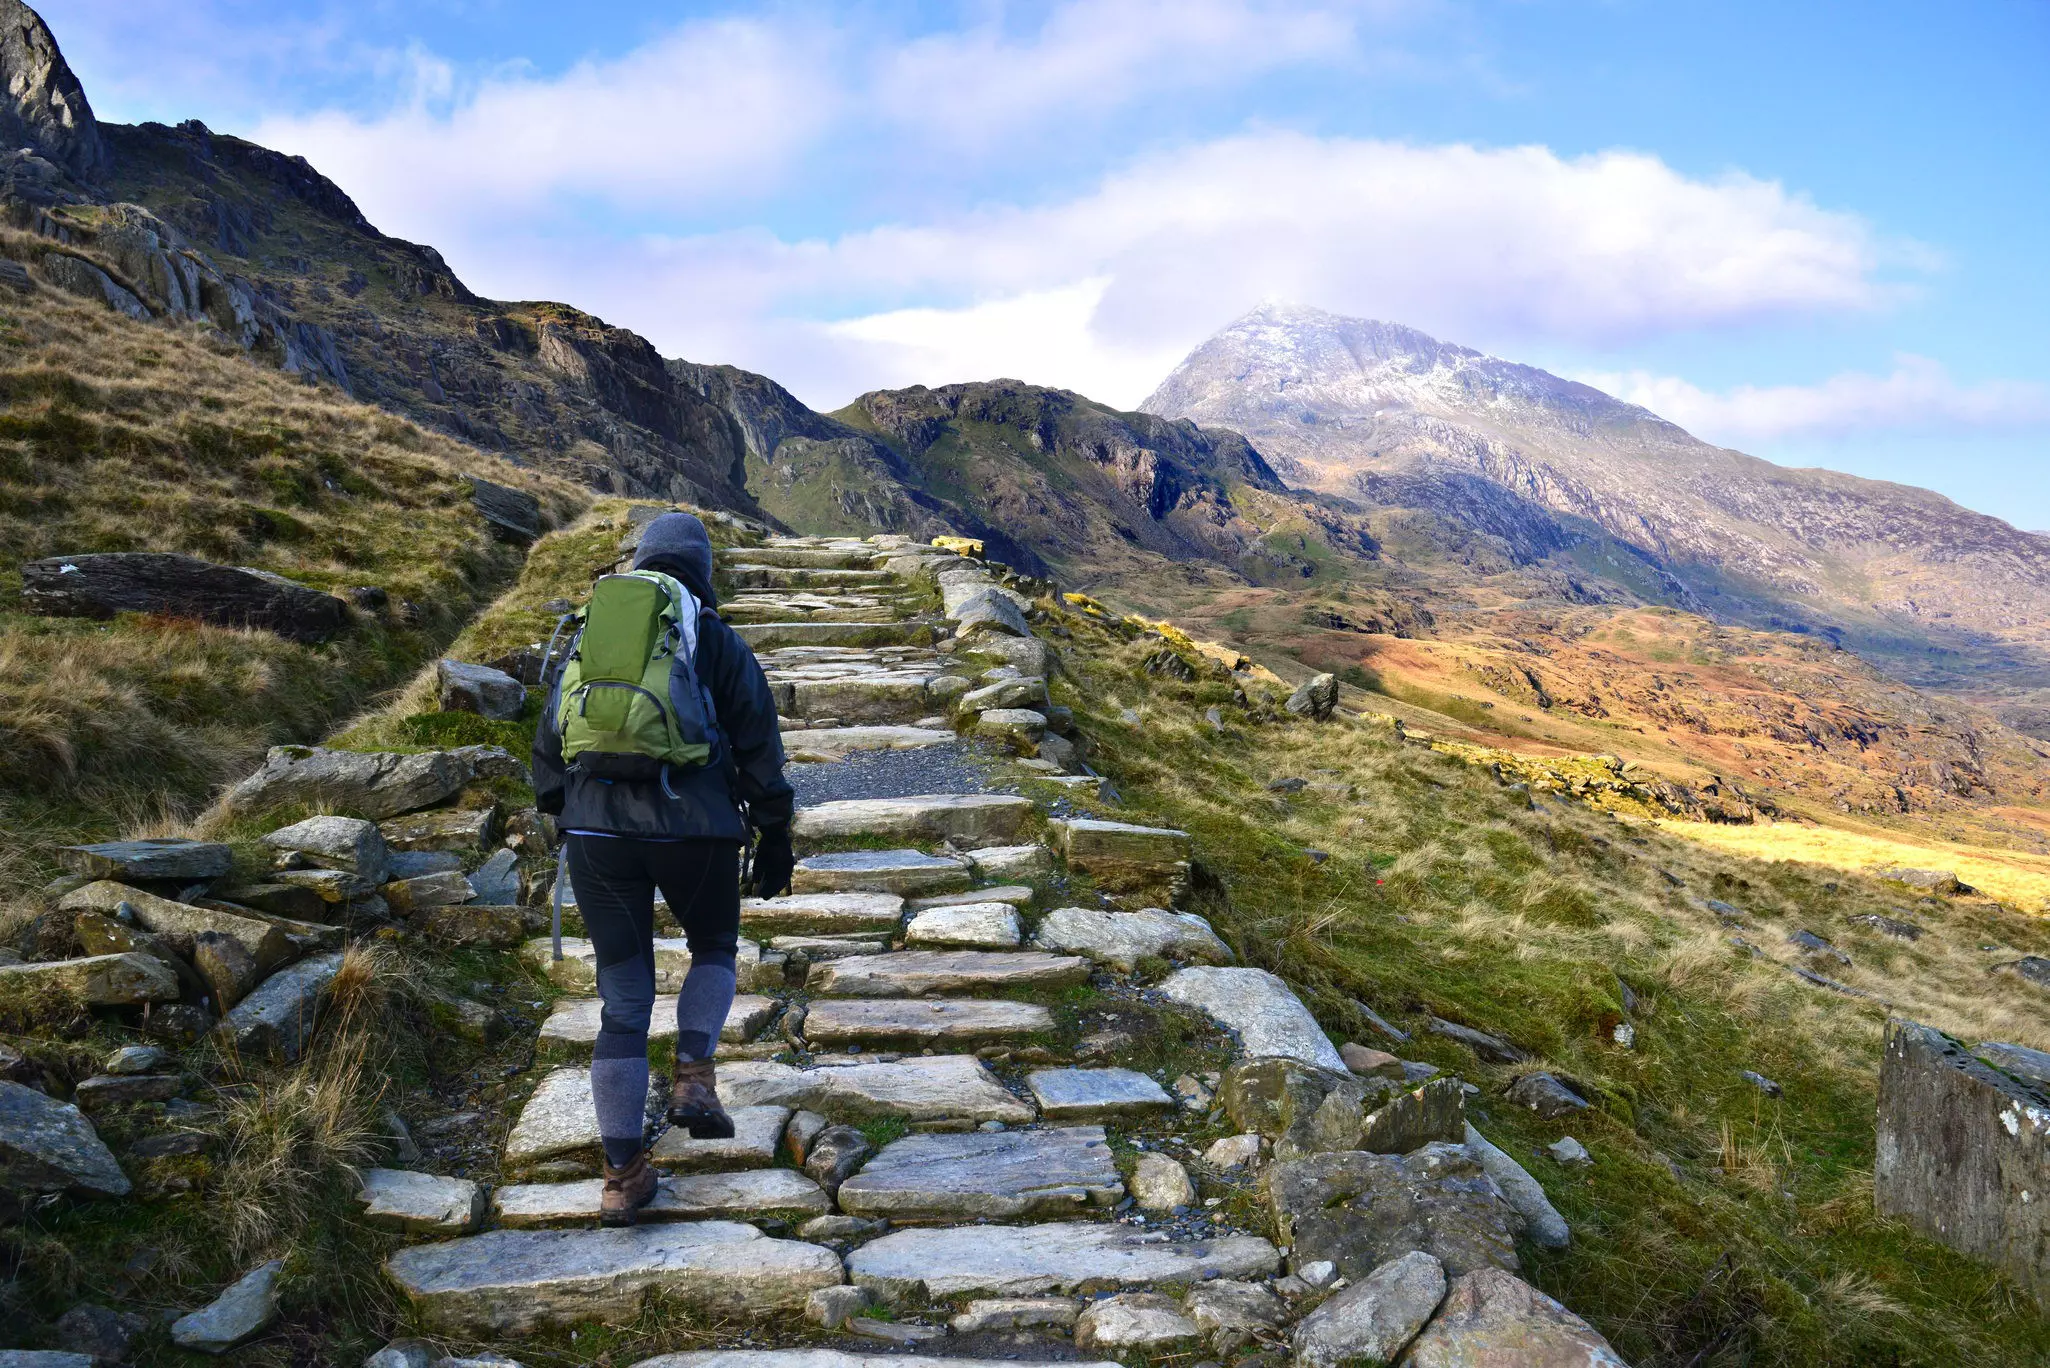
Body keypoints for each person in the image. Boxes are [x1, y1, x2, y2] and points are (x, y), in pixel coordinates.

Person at [532, 512, 795, 1226]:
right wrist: (775, 831)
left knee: (622, 1003)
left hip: (596, 833)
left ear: (642, 560)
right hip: (696, 829)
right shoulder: (712, 637)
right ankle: (693, 1076)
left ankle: (622, 1176)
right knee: (712, 947)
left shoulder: (594, 629)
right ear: (702, 569)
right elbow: (759, 743)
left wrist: (565, 810)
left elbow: (550, 741)